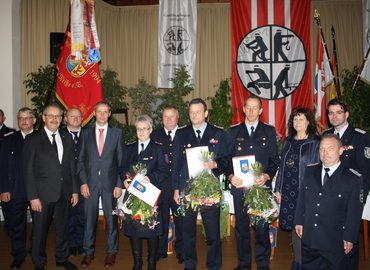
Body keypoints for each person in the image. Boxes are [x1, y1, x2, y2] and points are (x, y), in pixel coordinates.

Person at [173, 98, 229, 270]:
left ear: (206, 113)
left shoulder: (217, 133)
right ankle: (190, 265)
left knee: (212, 234)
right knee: (188, 232)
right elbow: (175, 163)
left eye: (198, 111)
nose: (194, 115)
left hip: (210, 190)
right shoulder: (181, 134)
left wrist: (216, 164)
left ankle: (213, 265)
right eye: (191, 112)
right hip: (187, 189)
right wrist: (176, 189)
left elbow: (226, 159)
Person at [294, 133, 363, 270]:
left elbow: (354, 212)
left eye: (330, 148)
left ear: (341, 150)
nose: (325, 153)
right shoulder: (310, 171)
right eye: (322, 149)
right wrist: (299, 221)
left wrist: (350, 237)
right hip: (311, 239)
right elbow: (302, 198)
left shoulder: (352, 179)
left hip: (335, 242)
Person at [23, 104, 79, 270]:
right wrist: (33, 197)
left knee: (63, 228)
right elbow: (28, 171)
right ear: (44, 118)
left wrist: (74, 190)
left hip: (64, 192)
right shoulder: (33, 139)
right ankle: (39, 262)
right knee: (39, 231)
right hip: (42, 194)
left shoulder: (66, 137)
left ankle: (62, 258)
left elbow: (71, 167)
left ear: (62, 119)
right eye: (51, 116)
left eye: (58, 116)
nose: (55, 119)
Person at [227, 95, 280, 270]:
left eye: (254, 108)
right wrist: (230, 176)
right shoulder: (234, 132)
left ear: (260, 110)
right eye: (248, 107)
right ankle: (244, 264)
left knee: (262, 229)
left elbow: (274, 160)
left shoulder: (269, 132)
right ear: (243, 109)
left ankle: (263, 265)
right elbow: (226, 160)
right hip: (240, 188)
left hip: (261, 189)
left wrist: (267, 175)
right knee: (241, 228)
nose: (251, 111)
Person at [323, 98, 370, 270]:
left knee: (348, 244)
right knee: (329, 242)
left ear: (347, 114)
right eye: (331, 113)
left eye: (339, 112)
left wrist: (359, 201)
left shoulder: (359, 138)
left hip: (349, 200)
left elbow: (366, 174)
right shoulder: (326, 136)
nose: (334, 116)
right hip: (328, 200)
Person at [78, 101, 124, 267]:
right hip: (89, 184)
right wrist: (83, 183)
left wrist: (119, 184)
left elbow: (120, 161)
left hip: (110, 184)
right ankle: (88, 252)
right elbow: (81, 160)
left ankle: (111, 253)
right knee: (89, 219)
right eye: (99, 112)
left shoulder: (117, 133)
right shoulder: (85, 133)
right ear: (94, 113)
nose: (102, 115)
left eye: (105, 112)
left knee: (111, 219)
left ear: (110, 114)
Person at [119, 115, 169, 270]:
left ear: (150, 130)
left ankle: (151, 262)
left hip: (151, 197)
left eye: (144, 128)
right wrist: (125, 179)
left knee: (152, 230)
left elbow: (164, 170)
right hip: (133, 197)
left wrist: (150, 177)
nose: (141, 131)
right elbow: (122, 168)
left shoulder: (159, 148)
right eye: (138, 129)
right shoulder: (129, 148)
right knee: (134, 228)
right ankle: (137, 262)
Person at [274, 106, 320, 270]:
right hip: (288, 191)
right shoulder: (288, 141)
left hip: (306, 191)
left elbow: (318, 169)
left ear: (308, 121)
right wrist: (278, 188)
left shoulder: (315, 142)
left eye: (301, 119)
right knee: (295, 226)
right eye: (295, 119)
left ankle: (309, 263)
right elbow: (282, 167)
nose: (298, 122)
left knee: (307, 226)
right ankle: (298, 262)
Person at [0, 107, 36, 269]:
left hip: (38, 192)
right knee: (16, 226)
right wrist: (3, 188)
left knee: (39, 226)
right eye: (20, 118)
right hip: (15, 190)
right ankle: (18, 255)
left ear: (34, 120)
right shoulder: (8, 139)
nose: (24, 121)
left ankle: (36, 252)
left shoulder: (42, 138)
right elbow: (2, 166)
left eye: (27, 118)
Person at [150, 106, 184, 264]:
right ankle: (160, 250)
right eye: (165, 117)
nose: (169, 120)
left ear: (177, 118)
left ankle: (182, 251)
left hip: (180, 186)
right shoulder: (154, 135)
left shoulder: (185, 134)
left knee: (181, 222)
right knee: (160, 220)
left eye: (172, 116)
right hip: (160, 186)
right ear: (161, 119)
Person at [61, 108, 85, 257]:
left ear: (82, 118)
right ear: (65, 119)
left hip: (84, 182)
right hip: (66, 183)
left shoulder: (89, 134)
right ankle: (69, 245)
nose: (75, 118)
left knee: (82, 215)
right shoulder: (60, 135)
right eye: (72, 116)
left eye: (78, 116)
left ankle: (81, 244)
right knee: (67, 216)